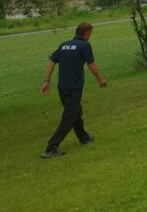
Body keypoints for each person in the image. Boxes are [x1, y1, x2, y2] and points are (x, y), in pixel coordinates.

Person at [40, 22, 107, 158]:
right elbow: (91, 64)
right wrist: (100, 79)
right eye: (90, 33)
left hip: (62, 87)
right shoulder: (84, 45)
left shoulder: (64, 45)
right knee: (69, 117)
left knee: (76, 112)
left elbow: (51, 62)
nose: (90, 36)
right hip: (74, 87)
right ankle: (51, 148)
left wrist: (46, 81)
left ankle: (84, 138)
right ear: (86, 33)